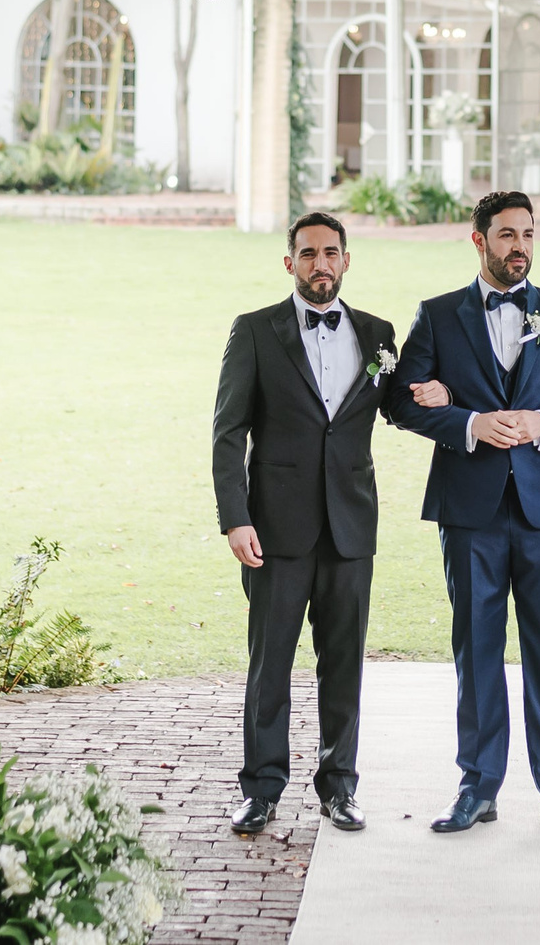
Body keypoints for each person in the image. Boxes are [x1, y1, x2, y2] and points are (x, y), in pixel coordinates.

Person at [385, 190, 540, 842]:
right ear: (478, 239)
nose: (520, 246)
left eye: (528, 234)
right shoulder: (437, 316)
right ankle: (476, 787)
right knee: (477, 654)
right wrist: (470, 421)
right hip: (470, 511)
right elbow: (400, 400)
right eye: (507, 234)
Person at [211, 211, 398, 838]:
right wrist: (235, 519)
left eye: (332, 253)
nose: (321, 264)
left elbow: (401, 405)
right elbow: (228, 431)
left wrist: (457, 409)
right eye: (309, 253)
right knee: (270, 666)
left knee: (343, 664)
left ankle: (339, 787)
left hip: (350, 530)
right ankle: (261, 790)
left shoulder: (379, 335)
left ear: (347, 261)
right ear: (290, 262)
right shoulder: (256, 331)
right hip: (275, 531)